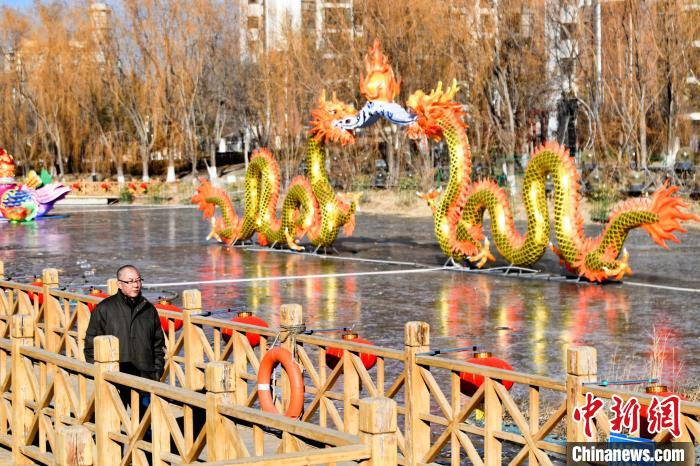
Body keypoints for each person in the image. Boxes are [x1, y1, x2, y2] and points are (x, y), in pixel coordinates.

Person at [84, 265, 165, 382]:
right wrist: (101, 376)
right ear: (119, 284)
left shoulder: (149, 309)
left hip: (146, 379)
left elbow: (158, 345)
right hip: (114, 379)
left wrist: (156, 372)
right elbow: (91, 346)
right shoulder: (104, 308)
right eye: (130, 282)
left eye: (138, 280)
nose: (136, 285)